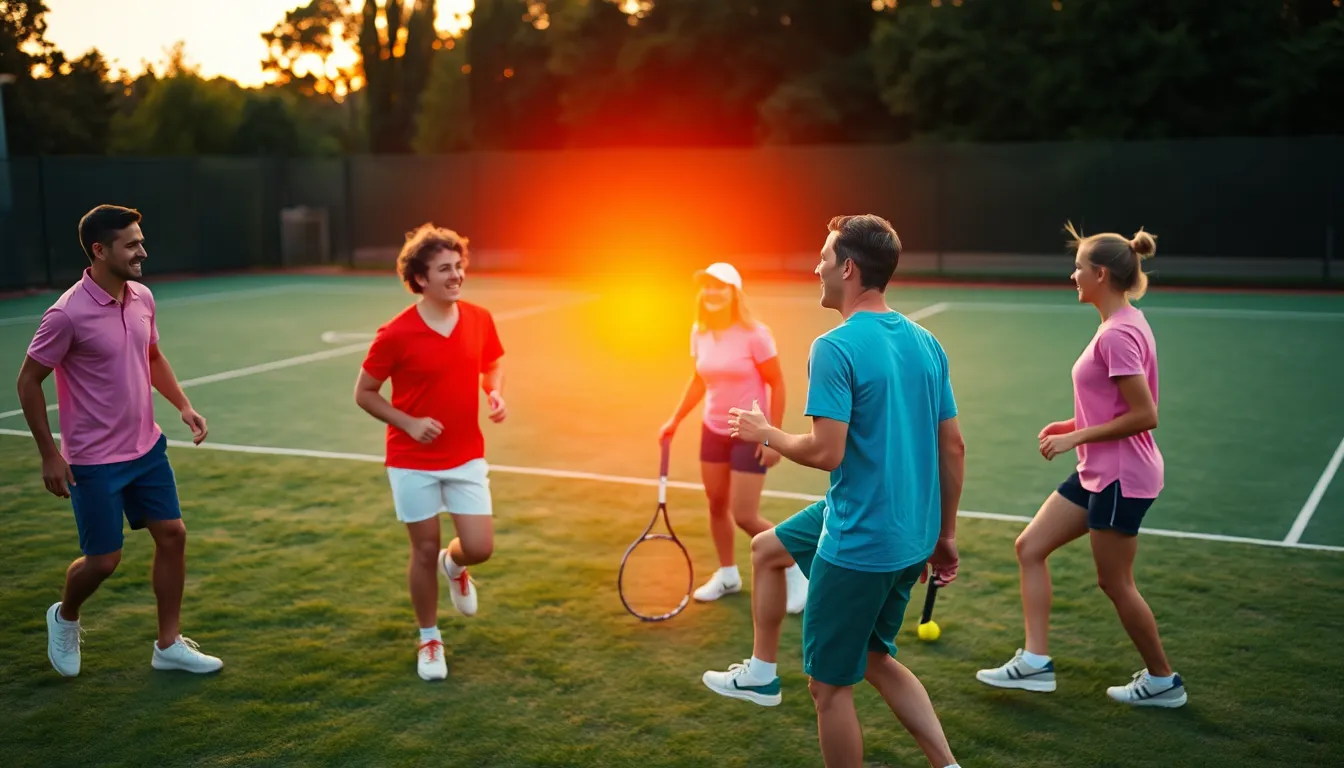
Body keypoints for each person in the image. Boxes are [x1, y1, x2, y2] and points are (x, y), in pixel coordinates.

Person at [701, 215, 965, 768]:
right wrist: (943, 536)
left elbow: (826, 452)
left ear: (847, 268)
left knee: (828, 689)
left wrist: (764, 432)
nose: (815, 266)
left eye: (823, 257)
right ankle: (760, 674)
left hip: (861, 538)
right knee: (768, 551)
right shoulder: (928, 343)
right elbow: (954, 447)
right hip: (909, 531)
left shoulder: (834, 347)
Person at [974, 223, 1186, 709]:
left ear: (1101, 274)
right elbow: (1115, 403)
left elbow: (1145, 413)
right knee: (1030, 546)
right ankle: (1034, 663)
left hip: (1121, 476)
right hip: (1099, 470)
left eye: (1078, 268)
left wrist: (1076, 435)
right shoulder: (1123, 322)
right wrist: (1073, 422)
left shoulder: (1118, 335)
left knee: (1115, 582)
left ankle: (1163, 681)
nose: (1072, 276)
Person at [17, 204, 222, 677]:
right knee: (103, 561)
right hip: (94, 459)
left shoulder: (143, 297)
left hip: (146, 448)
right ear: (99, 250)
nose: (142, 251)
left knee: (173, 535)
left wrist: (183, 406)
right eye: (131, 244)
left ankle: (168, 645)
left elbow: (152, 356)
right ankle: (64, 615)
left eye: (140, 241)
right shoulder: (66, 315)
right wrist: (50, 453)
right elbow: (28, 381)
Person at [354, 223, 506, 682]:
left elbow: (493, 361)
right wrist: (409, 423)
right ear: (420, 278)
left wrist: (493, 392)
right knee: (423, 550)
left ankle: (455, 566)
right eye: (445, 268)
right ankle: (429, 637)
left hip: (466, 454)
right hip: (411, 460)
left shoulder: (479, 318)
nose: (456, 275)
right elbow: (365, 392)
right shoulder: (395, 334)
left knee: (479, 547)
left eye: (459, 266)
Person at [658, 262, 806, 611]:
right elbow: (699, 380)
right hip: (713, 430)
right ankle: (727, 575)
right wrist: (675, 419)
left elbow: (777, 382)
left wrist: (771, 437)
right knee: (715, 504)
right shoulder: (699, 331)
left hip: (749, 432)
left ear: (733, 293)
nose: (712, 292)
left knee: (745, 515)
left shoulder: (756, 334)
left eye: (720, 287)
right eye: (707, 286)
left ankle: (797, 567)